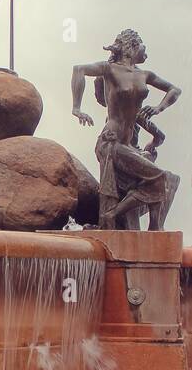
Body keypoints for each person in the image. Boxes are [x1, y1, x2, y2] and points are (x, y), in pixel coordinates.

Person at [70, 29, 181, 230]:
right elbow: (79, 70)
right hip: (111, 143)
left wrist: (158, 108)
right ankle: (114, 215)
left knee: (161, 179)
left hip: (127, 145)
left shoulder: (144, 74)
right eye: (143, 47)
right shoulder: (109, 69)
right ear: (131, 47)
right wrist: (76, 107)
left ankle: (151, 227)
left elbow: (175, 90)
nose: (146, 53)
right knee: (159, 177)